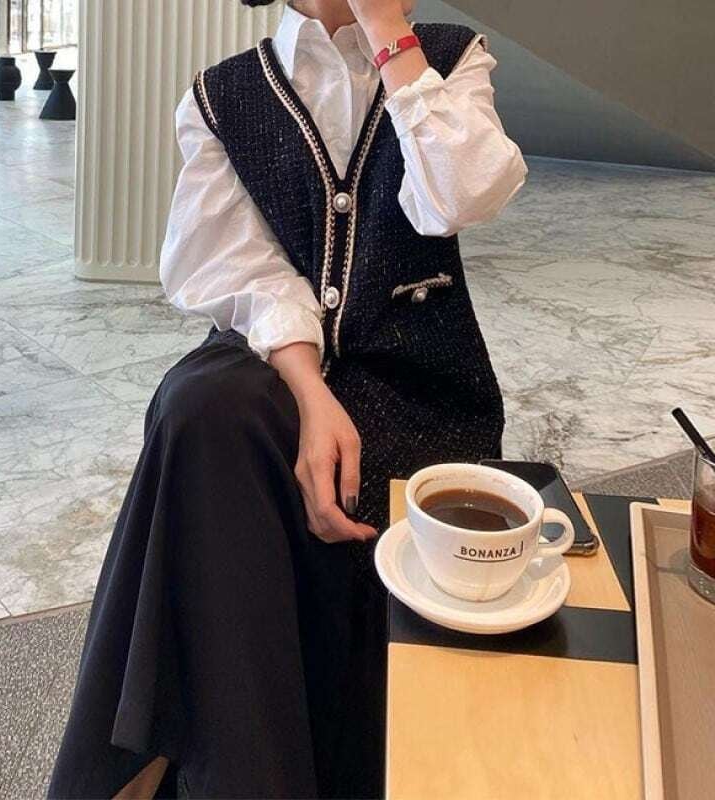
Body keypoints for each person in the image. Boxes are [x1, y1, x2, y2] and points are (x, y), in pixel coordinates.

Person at [47, 1, 527, 798]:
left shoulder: (449, 58)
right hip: (276, 359)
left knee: (235, 446)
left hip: (416, 382)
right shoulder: (223, 94)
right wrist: (309, 389)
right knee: (203, 411)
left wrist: (389, 32)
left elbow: (462, 194)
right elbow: (237, 269)